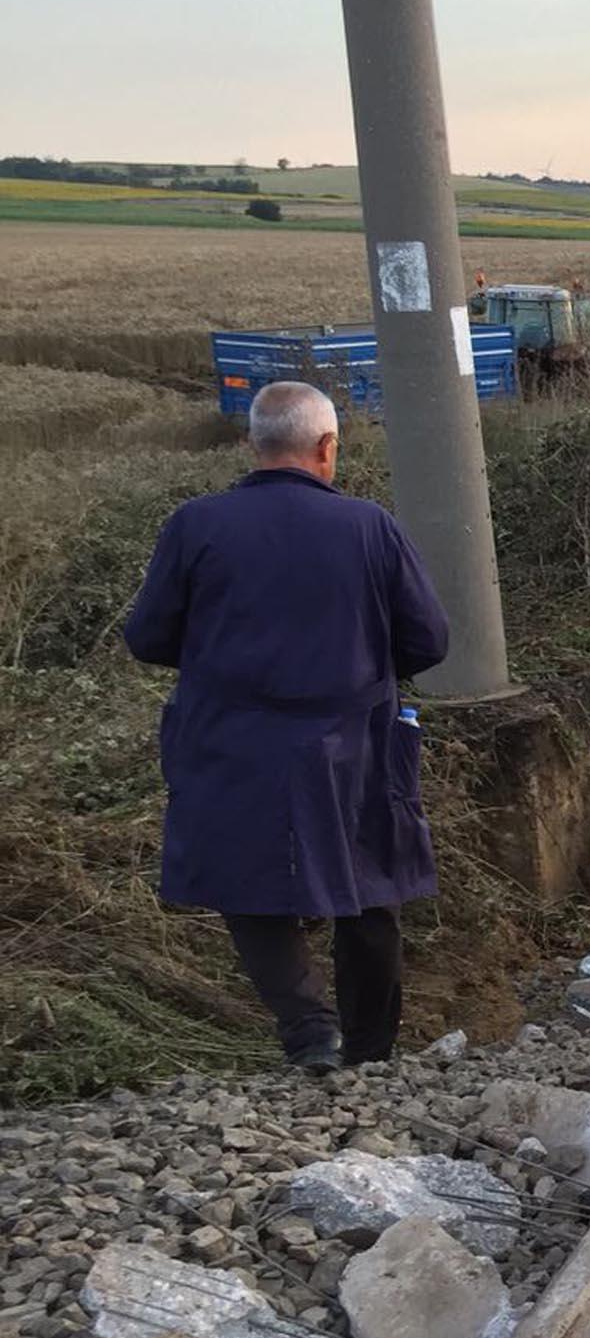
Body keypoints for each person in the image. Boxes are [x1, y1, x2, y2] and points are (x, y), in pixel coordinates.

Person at [124, 381, 451, 1072]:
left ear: (254, 444)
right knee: (370, 883)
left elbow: (149, 638)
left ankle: (309, 1030)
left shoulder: (195, 525)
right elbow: (428, 642)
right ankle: (371, 1049)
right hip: (355, 742)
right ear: (328, 446)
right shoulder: (371, 527)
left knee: (250, 881)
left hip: (231, 741)